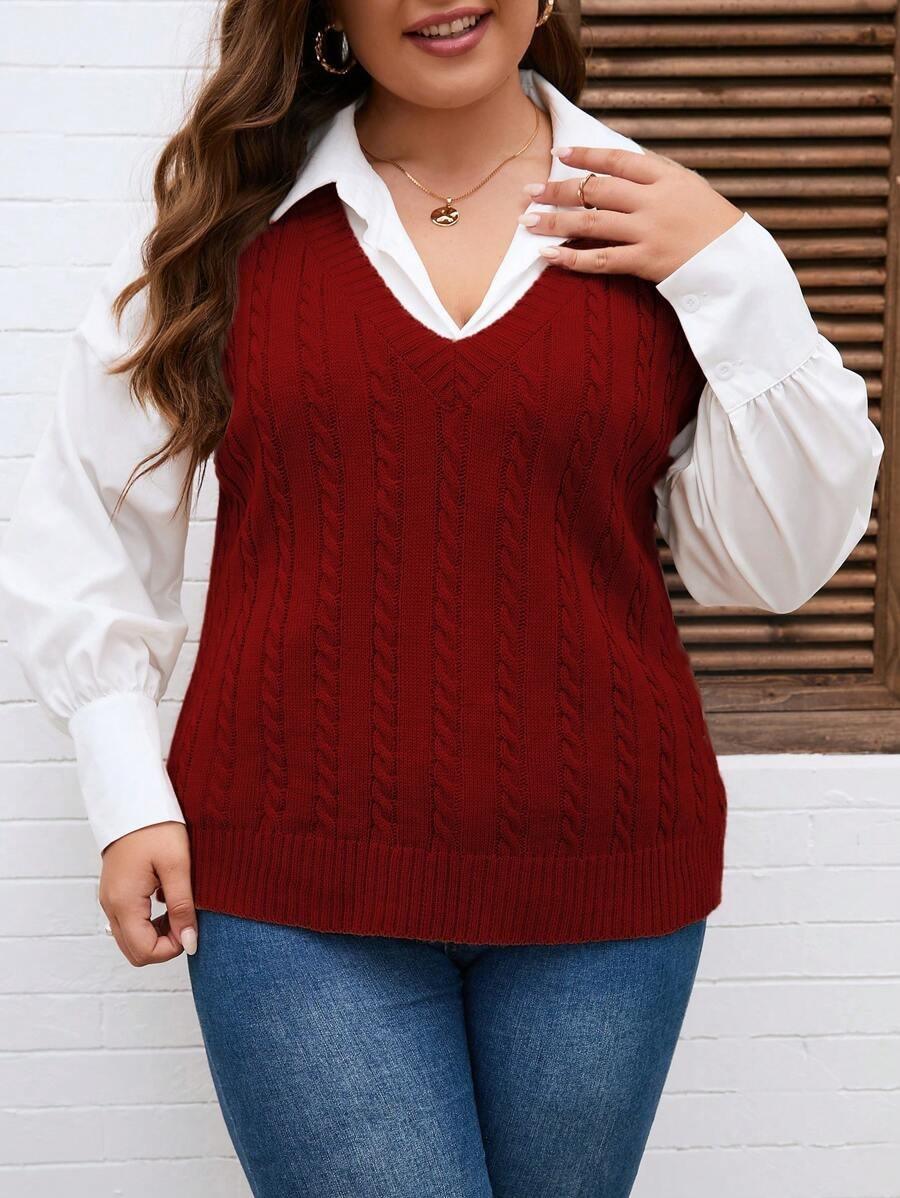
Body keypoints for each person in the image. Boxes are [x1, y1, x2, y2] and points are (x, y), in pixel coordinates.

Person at [0, 2, 884, 1195]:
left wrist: (737, 268)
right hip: (288, 891)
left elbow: (771, 566)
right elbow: (87, 521)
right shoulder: (231, 226)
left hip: (608, 894)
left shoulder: (665, 229)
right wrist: (123, 788)